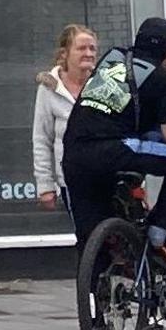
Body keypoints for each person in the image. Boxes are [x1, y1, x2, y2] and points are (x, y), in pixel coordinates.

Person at [61, 17, 166, 262]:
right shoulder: (162, 78)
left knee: (90, 238)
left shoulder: (111, 59)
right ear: (165, 49)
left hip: (74, 154)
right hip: (114, 149)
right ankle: (158, 231)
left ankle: (94, 295)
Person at [33, 24, 99, 224]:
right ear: (64, 53)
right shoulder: (49, 89)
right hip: (71, 179)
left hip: (106, 174)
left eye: (92, 49)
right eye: (81, 48)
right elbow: (42, 139)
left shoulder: (105, 84)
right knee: (88, 237)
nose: (88, 54)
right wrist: (45, 186)